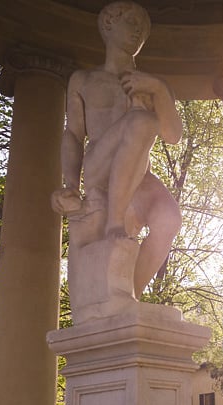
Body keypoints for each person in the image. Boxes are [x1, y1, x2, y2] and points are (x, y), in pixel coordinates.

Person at [51, 1, 183, 298]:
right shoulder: (84, 80)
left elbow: (173, 136)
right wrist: (71, 185)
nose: (138, 31)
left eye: (143, 29)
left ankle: (128, 295)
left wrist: (159, 90)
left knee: (168, 220)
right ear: (108, 24)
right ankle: (115, 223)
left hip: (140, 174)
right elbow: (73, 134)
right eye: (132, 22)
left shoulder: (152, 84)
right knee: (140, 121)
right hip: (99, 166)